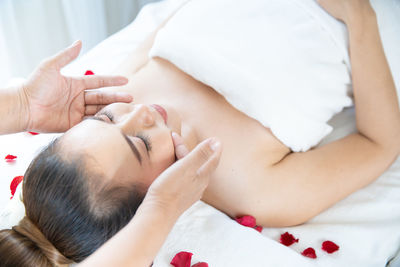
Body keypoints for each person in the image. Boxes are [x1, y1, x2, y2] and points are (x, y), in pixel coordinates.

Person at [2, 0, 400, 265]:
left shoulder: (118, 91)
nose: (136, 112)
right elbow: (378, 143)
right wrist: (359, 17)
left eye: (104, 119)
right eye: (140, 143)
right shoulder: (252, 188)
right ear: (157, 196)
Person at [0, 40, 222, 266]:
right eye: (143, 144)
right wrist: (163, 207)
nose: (142, 111)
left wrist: (23, 104)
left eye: (105, 119)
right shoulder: (250, 181)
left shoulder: (124, 88)